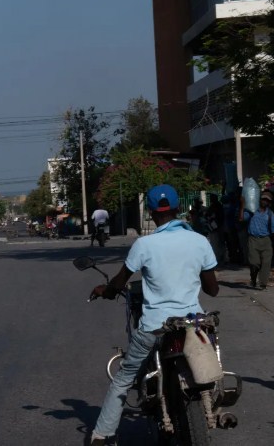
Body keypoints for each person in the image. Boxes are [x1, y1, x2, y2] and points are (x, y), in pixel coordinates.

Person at [87, 184, 218, 446]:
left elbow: (120, 281)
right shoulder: (199, 241)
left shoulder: (144, 244)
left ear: (150, 211)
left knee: (124, 378)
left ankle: (101, 436)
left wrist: (106, 290)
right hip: (194, 323)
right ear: (178, 208)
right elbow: (212, 289)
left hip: (155, 326)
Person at [242, 190, 274, 290]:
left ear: (269, 202)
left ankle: (263, 284)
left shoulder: (270, 214)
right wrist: (242, 205)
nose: (264, 201)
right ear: (259, 200)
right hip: (253, 240)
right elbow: (241, 219)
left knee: (266, 263)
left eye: (266, 200)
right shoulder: (252, 211)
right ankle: (253, 278)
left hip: (266, 240)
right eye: (263, 199)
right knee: (254, 263)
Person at [207, 193, 226, 265]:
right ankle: (220, 258)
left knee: (217, 243)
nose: (211, 199)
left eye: (212, 198)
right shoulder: (215, 206)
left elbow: (219, 217)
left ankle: (220, 258)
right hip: (215, 227)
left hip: (217, 227)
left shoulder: (217, 206)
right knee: (217, 243)